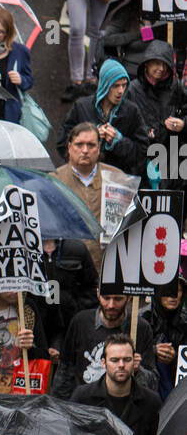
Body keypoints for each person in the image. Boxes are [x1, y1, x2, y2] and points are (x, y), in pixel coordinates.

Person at [58, 332, 162, 435]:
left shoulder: (150, 402)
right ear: (103, 363)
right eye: (115, 360)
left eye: (127, 360)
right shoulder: (84, 397)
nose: (121, 365)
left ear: (134, 361)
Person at [53, 122, 131, 272]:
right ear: (69, 147)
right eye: (79, 144)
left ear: (99, 148)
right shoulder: (55, 180)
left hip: (108, 265)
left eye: (91, 145)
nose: (85, 150)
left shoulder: (118, 178)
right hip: (68, 267)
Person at [53, 287, 156, 400]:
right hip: (84, 407)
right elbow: (64, 372)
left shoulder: (140, 328)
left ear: (129, 297)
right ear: (98, 293)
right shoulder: (81, 322)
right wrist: (61, 408)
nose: (111, 305)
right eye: (106, 298)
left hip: (124, 408)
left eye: (117, 299)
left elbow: (152, 381)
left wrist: (138, 371)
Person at [58, 58, 148, 175]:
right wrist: (91, 138)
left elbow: (141, 153)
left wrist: (118, 142)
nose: (121, 91)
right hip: (84, 178)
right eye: (115, 86)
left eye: (124, 85)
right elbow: (62, 144)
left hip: (117, 180)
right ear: (105, 85)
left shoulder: (131, 111)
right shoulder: (81, 107)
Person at [124, 39, 186, 190]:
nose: (161, 68)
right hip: (142, 160)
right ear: (147, 63)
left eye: (165, 64)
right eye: (157, 63)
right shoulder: (132, 90)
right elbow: (125, 123)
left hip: (171, 159)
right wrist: (143, 132)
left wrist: (183, 124)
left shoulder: (176, 88)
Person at [151, 274, 187, 397]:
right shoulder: (143, 319)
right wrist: (154, 351)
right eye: (168, 290)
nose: (173, 295)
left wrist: (176, 357)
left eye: (178, 290)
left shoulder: (185, 323)